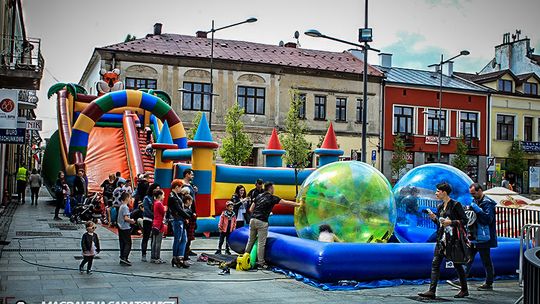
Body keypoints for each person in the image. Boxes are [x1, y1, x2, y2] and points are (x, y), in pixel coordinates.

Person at [418, 182, 469, 299]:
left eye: (437, 191)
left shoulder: (456, 205)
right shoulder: (440, 206)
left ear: (444, 192)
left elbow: (464, 220)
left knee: (457, 265)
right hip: (442, 239)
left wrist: (451, 222)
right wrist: (434, 218)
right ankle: (432, 291)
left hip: (453, 240)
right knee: (435, 264)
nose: (436, 193)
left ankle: (464, 289)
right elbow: (440, 224)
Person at [448, 183, 497, 291]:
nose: (473, 196)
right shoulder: (476, 201)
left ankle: (489, 283)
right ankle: (462, 279)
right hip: (475, 236)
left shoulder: (487, 203)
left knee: (486, 260)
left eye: (474, 193)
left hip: (484, 236)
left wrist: (477, 209)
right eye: (471, 194)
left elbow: (488, 219)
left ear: (480, 190)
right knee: (467, 257)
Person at [244, 182, 300, 269]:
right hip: (262, 221)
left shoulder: (258, 196)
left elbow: (251, 209)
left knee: (250, 240)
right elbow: (286, 203)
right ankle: (261, 262)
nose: (274, 189)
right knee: (261, 243)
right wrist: (298, 204)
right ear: (270, 188)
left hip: (252, 220)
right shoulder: (272, 198)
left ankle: (245, 257)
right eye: (273, 188)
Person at [168, 179, 193, 268]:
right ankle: (177, 258)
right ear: (177, 187)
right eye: (180, 187)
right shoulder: (173, 197)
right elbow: (178, 209)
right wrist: (188, 216)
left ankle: (179, 257)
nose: (180, 189)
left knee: (183, 239)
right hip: (177, 220)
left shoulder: (176, 196)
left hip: (180, 219)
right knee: (178, 239)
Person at [141, 183, 160, 262]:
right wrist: (154, 215)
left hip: (155, 220)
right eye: (157, 188)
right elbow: (146, 209)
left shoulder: (157, 199)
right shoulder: (147, 198)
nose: (158, 190)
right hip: (148, 219)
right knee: (146, 237)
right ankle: (143, 254)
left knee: (154, 238)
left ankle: (153, 255)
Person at [181, 169, 198, 260]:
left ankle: (187, 250)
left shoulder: (191, 185)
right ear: (187, 174)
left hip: (192, 211)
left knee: (191, 232)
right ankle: (184, 252)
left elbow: (192, 198)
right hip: (186, 212)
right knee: (186, 233)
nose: (193, 176)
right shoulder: (182, 184)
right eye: (191, 174)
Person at [117, 192, 136, 266]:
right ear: (127, 198)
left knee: (123, 243)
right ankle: (124, 257)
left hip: (120, 227)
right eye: (130, 198)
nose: (130, 199)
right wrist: (132, 221)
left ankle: (122, 257)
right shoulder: (125, 207)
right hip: (125, 227)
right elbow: (126, 218)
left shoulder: (121, 206)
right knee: (128, 243)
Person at [150, 189, 167, 264]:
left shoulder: (155, 203)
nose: (164, 196)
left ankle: (153, 257)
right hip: (159, 224)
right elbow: (163, 212)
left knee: (154, 241)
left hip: (155, 223)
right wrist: (165, 209)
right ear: (159, 196)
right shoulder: (159, 203)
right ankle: (157, 257)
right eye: (163, 195)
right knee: (158, 242)